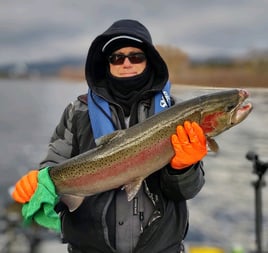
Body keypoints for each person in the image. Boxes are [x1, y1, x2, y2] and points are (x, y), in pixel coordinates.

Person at [12, 19, 207, 253]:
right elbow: (54, 162)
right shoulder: (77, 113)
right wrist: (39, 181)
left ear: (150, 61)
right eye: (117, 57)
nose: (126, 63)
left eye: (136, 56)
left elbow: (187, 191)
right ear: (106, 64)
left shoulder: (176, 113)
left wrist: (183, 169)